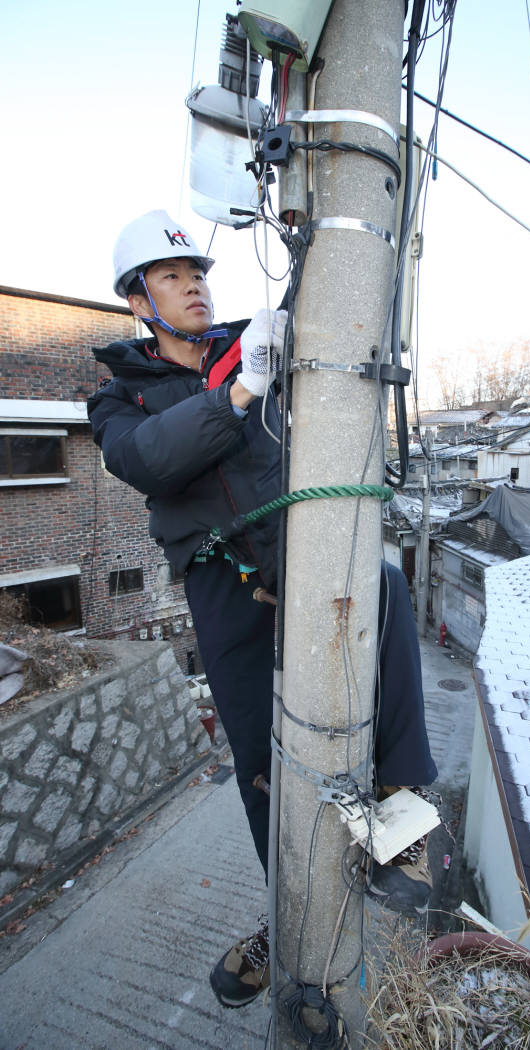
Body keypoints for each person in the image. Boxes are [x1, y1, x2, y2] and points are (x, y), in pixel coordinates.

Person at [88, 210, 437, 1009]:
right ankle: (286, 922)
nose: (195, 287)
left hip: (298, 540)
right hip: (222, 574)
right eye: (172, 278)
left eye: (199, 273)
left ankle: (402, 815)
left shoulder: (263, 349)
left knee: (384, 586)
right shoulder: (120, 399)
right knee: (260, 761)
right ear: (139, 301)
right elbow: (151, 461)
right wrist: (241, 387)